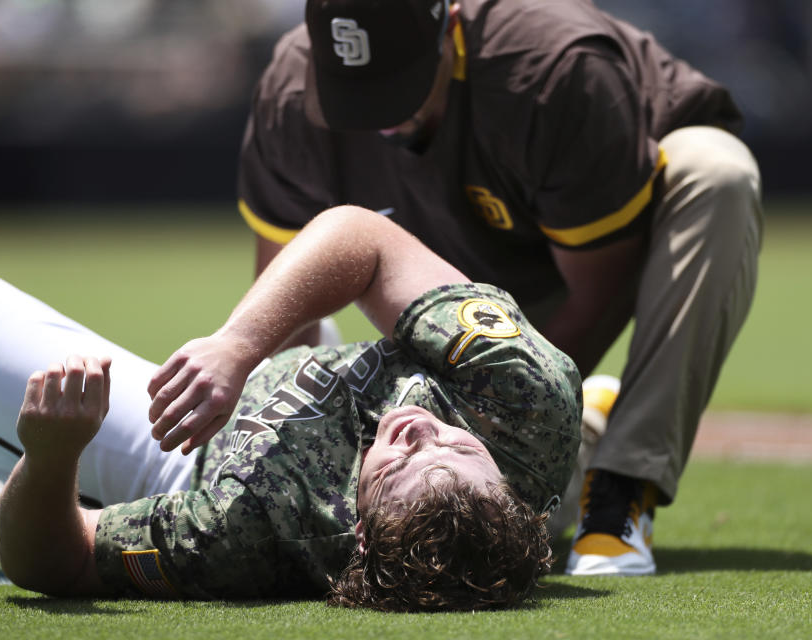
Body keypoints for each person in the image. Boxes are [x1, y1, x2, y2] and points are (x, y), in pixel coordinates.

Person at [237, 0, 764, 575]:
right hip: (423, 298)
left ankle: (623, 484)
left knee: (719, 173)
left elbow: (599, 292)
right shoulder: (290, 85)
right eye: (354, 91)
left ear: (452, 21)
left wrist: (515, 415)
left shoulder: (552, 67)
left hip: (574, 266)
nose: (383, 118)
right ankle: (590, 431)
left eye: (398, 84)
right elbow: (284, 296)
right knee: (446, 512)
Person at [0, 206, 581, 611]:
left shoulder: (249, 533)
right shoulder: (525, 404)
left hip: (185, 453)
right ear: (512, 492)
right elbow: (365, 236)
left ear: (360, 532)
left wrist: (52, 453)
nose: (420, 431)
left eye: (399, 467)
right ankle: (584, 473)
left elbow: (54, 563)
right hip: (274, 362)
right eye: (457, 448)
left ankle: (10, 468)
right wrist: (240, 344)